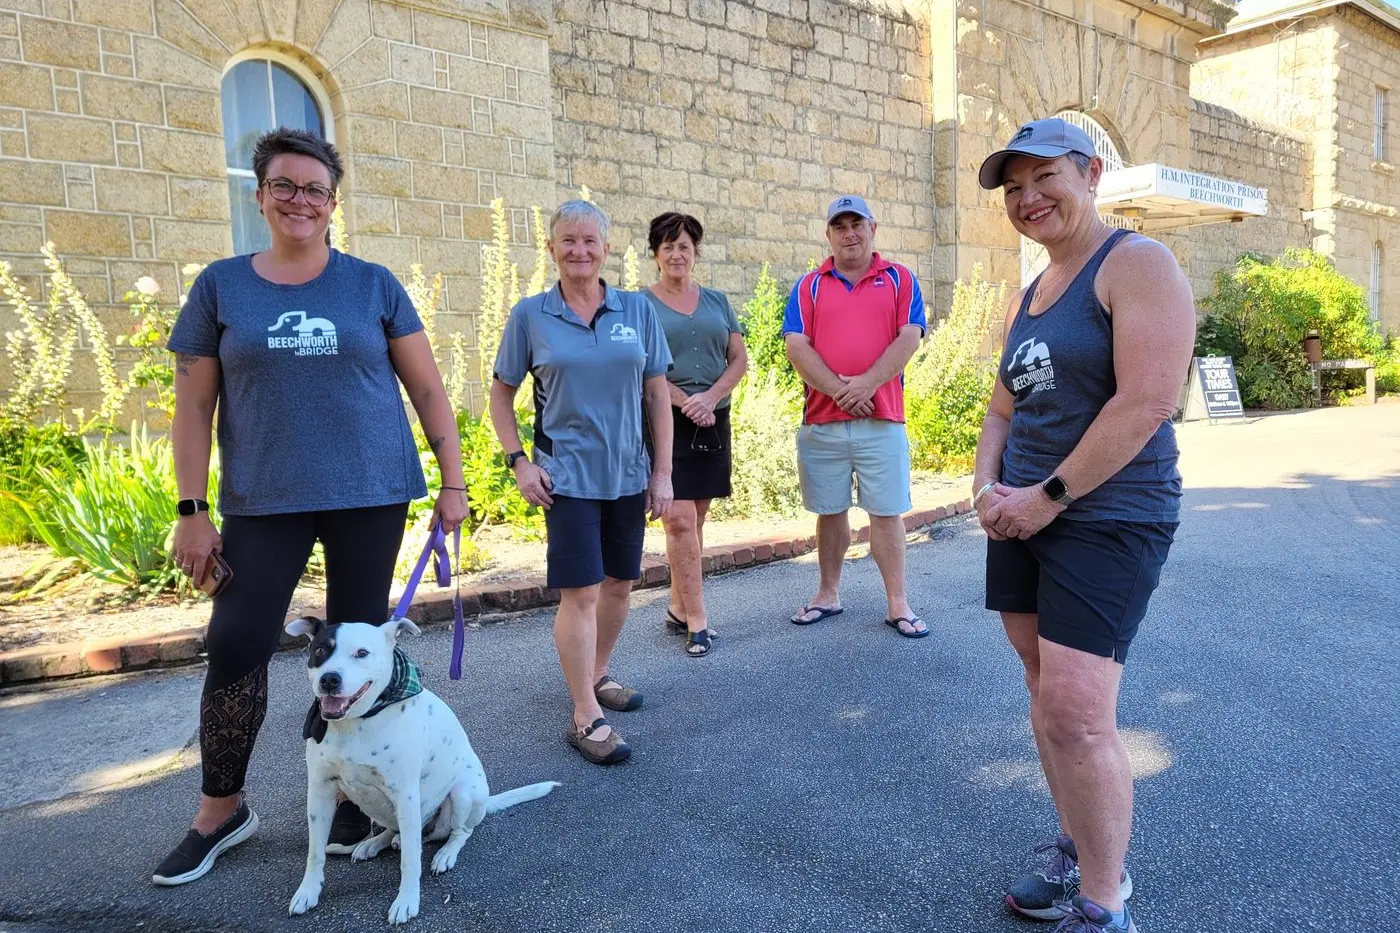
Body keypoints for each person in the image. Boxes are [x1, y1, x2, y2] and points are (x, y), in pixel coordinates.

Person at [154, 128, 468, 885]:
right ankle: (220, 810)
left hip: (371, 491)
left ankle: (352, 794)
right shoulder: (223, 286)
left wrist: (454, 482)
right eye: (285, 186)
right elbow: (193, 407)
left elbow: (427, 388)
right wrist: (190, 507)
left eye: (315, 189)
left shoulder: (373, 284)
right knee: (235, 640)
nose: (301, 200)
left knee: (359, 652)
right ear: (260, 194)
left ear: (333, 203)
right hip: (264, 499)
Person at [973, 118, 1194, 933]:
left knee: (1076, 709)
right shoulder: (1029, 295)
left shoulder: (1135, 265)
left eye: (1045, 178)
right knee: (1041, 685)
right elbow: (1003, 406)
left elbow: (1144, 404)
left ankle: (1106, 905)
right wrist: (987, 481)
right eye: (1013, 186)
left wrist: (1043, 497)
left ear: (1091, 172)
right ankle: (1075, 844)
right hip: (1026, 513)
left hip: (1106, 515)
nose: (1029, 198)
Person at [489, 199, 673, 766]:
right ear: (551, 249)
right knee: (582, 592)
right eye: (568, 240)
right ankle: (583, 714)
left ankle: (597, 675)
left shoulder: (636, 311)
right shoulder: (531, 315)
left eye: (590, 241)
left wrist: (663, 471)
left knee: (620, 584)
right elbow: (501, 393)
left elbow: (657, 393)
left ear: (607, 249)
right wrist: (519, 461)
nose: (580, 250)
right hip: (564, 476)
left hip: (627, 472)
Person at [780, 195, 928, 638]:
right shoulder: (809, 286)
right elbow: (796, 347)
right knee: (830, 511)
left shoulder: (899, 279)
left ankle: (898, 604)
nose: (849, 233)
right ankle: (828, 594)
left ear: (872, 228)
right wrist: (843, 392)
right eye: (839, 226)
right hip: (822, 422)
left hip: (882, 420)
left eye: (856, 224)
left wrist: (864, 386)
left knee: (886, 513)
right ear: (829, 234)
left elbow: (910, 337)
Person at [642, 212, 748, 657]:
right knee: (679, 518)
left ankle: (676, 605)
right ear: (655, 254)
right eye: (667, 246)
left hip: (712, 418)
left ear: (695, 252)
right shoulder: (639, 304)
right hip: (664, 417)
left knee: (697, 517)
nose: (676, 253)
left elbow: (738, 359)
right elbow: (637, 366)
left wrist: (711, 397)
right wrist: (686, 401)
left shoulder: (718, 301)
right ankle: (698, 621)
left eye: (684, 245)